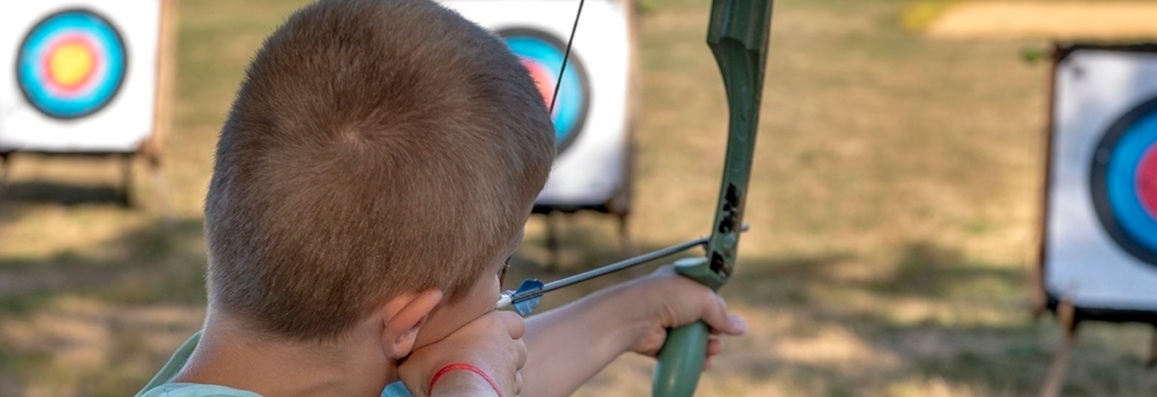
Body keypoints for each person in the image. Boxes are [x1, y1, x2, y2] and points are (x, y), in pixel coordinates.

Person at [136, 0, 746, 395]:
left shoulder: (289, 365)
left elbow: (490, 360)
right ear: (410, 323)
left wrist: (639, 309)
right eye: (500, 270)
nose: (503, 293)